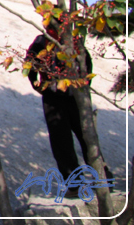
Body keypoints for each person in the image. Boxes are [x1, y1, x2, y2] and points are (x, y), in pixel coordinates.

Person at [26, 23, 114, 197]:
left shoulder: (64, 41)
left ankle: (89, 181)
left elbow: (85, 63)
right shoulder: (54, 42)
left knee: (75, 139)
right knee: (73, 140)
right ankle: (89, 181)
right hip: (65, 97)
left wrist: (37, 84)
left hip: (67, 96)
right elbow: (30, 64)